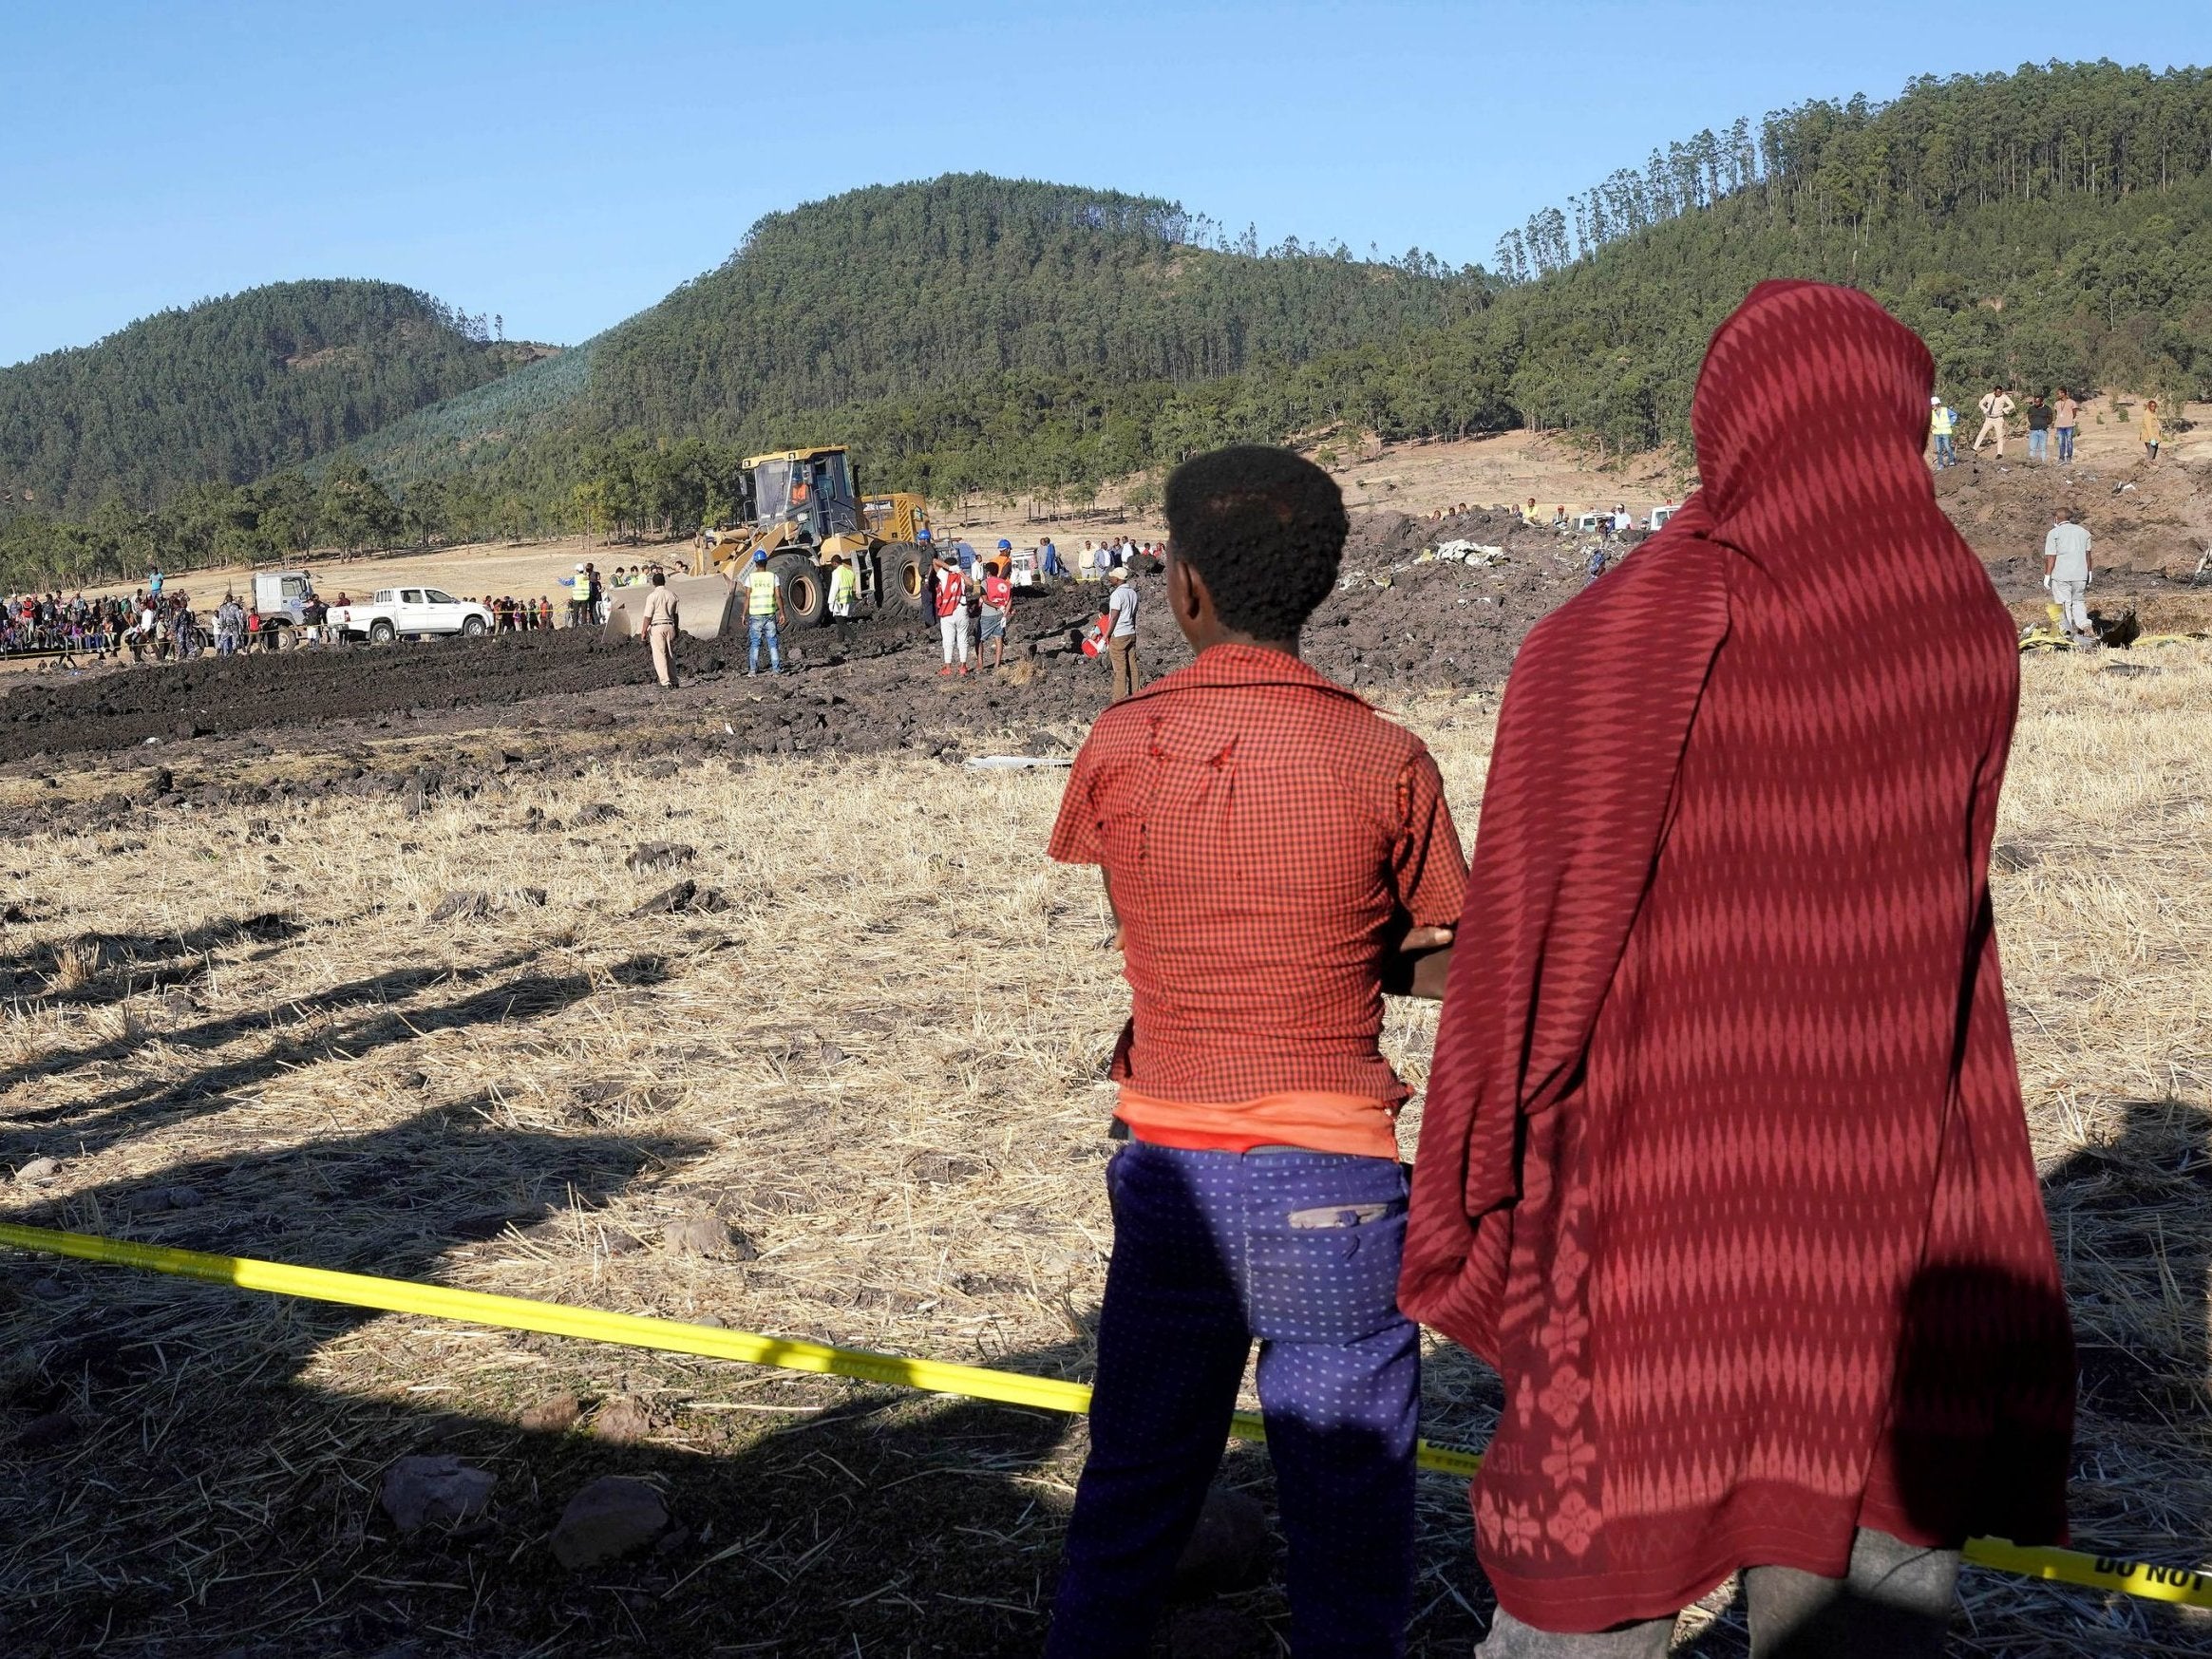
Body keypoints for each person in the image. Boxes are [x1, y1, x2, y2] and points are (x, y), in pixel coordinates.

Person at [1401, 280, 2073, 1659]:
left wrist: (1483, 1153)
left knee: (1595, 1574)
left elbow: (1529, 949)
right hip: (1888, 1191)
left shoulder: (1612, 637)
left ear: (1731, 422)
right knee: (1867, 1568)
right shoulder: (1962, 625)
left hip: (1657, 1194)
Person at [1044, 443, 1467, 1659]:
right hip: (1335, 1183)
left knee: (1133, 1485)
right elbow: (1455, 956)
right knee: (1351, 1514)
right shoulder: (1387, 756)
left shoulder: (1123, 743)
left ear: (1183, 588)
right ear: (1318, 584)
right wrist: (1356, 958)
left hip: (1172, 1176)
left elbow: (1139, 915)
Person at [2044, 508, 2094, 645]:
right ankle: (2085, 625)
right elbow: (2088, 554)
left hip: (2062, 575)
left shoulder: (2054, 533)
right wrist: (2089, 572)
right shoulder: (2084, 532)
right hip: (2080, 574)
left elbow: (2051, 556)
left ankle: (2066, 632)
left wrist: (2047, 575)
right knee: (2078, 601)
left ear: (2056, 518)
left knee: (2063, 603)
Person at [743, 548, 785, 675]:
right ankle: (776, 670)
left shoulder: (750, 578)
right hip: (770, 614)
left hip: (755, 615)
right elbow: (778, 596)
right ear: (766, 561)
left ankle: (752, 671)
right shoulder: (773, 577)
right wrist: (782, 613)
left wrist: (743, 614)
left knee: (755, 643)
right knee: (772, 642)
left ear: (755, 563)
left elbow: (747, 597)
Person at [933, 545, 972, 675]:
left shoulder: (944, 575)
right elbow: (971, 584)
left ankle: (948, 667)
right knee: (962, 638)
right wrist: (959, 571)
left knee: (948, 640)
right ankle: (963, 666)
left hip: (948, 611)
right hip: (961, 609)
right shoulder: (961, 576)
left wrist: (948, 568)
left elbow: (934, 561)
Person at [1104, 566, 1141, 701]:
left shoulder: (1117, 594)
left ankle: (1119, 700)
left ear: (1118, 579)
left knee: (1120, 669)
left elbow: (1114, 617)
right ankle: (1136, 695)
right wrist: (1133, 629)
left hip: (1119, 634)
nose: (1110, 578)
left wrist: (1106, 635)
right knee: (1133, 666)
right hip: (1131, 632)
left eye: (1112, 577)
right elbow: (1134, 615)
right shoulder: (1133, 593)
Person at [641, 570, 681, 688]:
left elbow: (648, 616)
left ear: (653, 583)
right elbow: (676, 615)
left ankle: (665, 681)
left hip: (657, 626)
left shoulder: (652, 596)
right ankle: (674, 680)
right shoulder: (672, 595)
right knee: (670, 654)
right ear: (664, 582)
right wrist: (676, 628)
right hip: (670, 625)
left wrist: (643, 631)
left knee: (660, 655)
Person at [978, 555, 1012, 669]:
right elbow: (1009, 601)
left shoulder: (985, 583)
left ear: (988, 572)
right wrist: (1005, 614)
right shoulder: (1006, 584)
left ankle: (980, 664)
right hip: (1000, 615)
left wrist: (998, 606)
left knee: (979, 639)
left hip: (987, 615)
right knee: (998, 639)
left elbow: (985, 600)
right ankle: (997, 665)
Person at [1973, 384, 2014, 456]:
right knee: (1982, 433)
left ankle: (1999, 453)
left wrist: (2005, 409)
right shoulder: (1988, 396)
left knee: (1999, 436)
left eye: (2000, 392)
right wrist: (1985, 409)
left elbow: (2012, 405)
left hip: (1998, 418)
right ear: (1994, 391)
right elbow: (1980, 403)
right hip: (1989, 418)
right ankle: (1975, 448)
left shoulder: (2004, 397)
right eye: (1998, 392)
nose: (1999, 393)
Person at [1928, 394, 1957, 468]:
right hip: (1937, 433)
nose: (1932, 406)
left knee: (1948, 447)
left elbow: (1954, 415)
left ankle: (1951, 461)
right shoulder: (1931, 413)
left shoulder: (1945, 410)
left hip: (1945, 432)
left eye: (1933, 405)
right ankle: (1940, 465)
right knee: (1938, 450)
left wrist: (1951, 423)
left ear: (1937, 404)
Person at [827, 553, 858, 621]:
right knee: (844, 621)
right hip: (849, 600)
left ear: (834, 563)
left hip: (840, 601)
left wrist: (831, 603)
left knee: (841, 622)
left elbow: (834, 589)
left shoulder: (836, 572)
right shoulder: (850, 572)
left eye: (832, 564)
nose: (832, 566)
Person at [2052, 386, 2078, 462]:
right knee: (2061, 442)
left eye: (2059, 393)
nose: (2058, 395)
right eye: (2058, 394)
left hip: (2069, 425)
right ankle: (2061, 457)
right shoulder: (2057, 403)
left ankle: (2069, 457)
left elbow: (2074, 413)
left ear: (2064, 393)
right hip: (2059, 425)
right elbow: (2056, 413)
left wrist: (2070, 419)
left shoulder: (2072, 402)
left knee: (2069, 441)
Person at [2025, 393, 2052, 462]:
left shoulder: (2047, 409)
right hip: (2033, 431)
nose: (2036, 403)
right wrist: (2034, 423)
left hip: (2043, 431)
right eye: (2035, 401)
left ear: (2042, 402)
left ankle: (2043, 462)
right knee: (2032, 448)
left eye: (2037, 402)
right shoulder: (2031, 408)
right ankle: (2032, 462)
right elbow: (2029, 417)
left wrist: (2044, 424)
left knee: (2043, 449)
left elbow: (2050, 419)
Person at [566, 563, 592, 628]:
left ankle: (575, 626)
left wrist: (560, 580)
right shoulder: (586, 577)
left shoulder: (575, 577)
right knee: (584, 613)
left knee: (575, 613)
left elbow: (567, 583)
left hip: (577, 598)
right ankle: (584, 626)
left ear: (577, 570)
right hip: (585, 598)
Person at [2142, 397, 2163, 462]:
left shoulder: (2153, 413)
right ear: (2149, 406)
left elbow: (2156, 421)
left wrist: (2159, 426)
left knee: (2154, 454)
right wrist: (2152, 438)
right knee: (2150, 455)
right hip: (2149, 438)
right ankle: (2147, 465)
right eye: (2152, 406)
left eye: (2154, 406)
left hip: (2155, 437)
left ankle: (2152, 463)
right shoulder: (2147, 414)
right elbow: (2148, 427)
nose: (2153, 407)